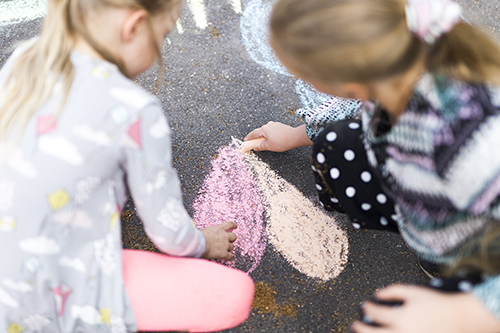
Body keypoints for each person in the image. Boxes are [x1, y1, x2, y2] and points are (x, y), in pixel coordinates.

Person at [245, 0, 500, 331]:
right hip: (432, 193)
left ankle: (451, 263)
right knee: (333, 145)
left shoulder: (471, 146)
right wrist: (294, 135)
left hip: (481, 247)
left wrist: (467, 313)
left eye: (302, 73)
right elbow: (352, 108)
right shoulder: (392, 65)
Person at [0, 0, 254, 332]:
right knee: (233, 294)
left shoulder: (26, 56)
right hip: (60, 299)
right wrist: (203, 243)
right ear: (133, 27)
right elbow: (168, 231)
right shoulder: (136, 111)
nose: (162, 46)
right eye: (163, 34)